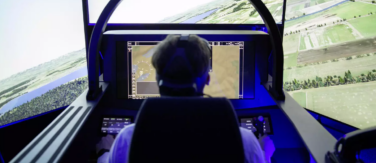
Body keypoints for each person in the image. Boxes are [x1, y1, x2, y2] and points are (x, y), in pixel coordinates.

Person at [97, 34, 275, 163]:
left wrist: (104, 151)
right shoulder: (243, 140)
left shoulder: (127, 139)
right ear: (207, 79)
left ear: (157, 80)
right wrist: (265, 153)